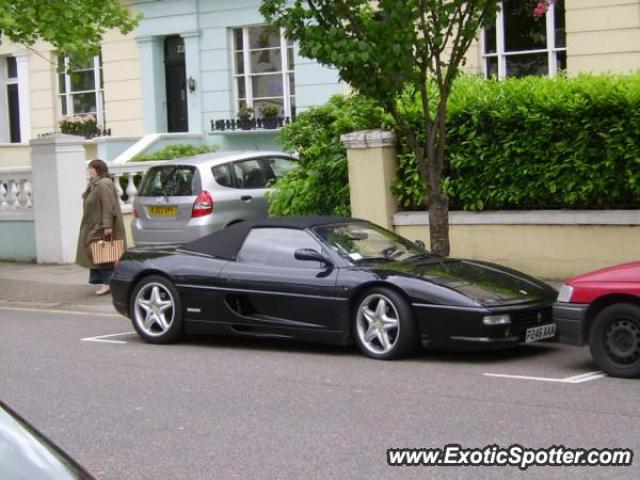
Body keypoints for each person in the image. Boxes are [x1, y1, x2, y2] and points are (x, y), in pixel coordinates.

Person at [76, 159, 127, 295]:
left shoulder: (103, 184)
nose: (89, 171)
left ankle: (108, 282)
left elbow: (108, 206)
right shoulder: (96, 184)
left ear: (97, 169)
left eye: (91, 168)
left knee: (103, 254)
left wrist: (107, 226)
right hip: (94, 225)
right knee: (98, 253)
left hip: (101, 226)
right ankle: (105, 281)